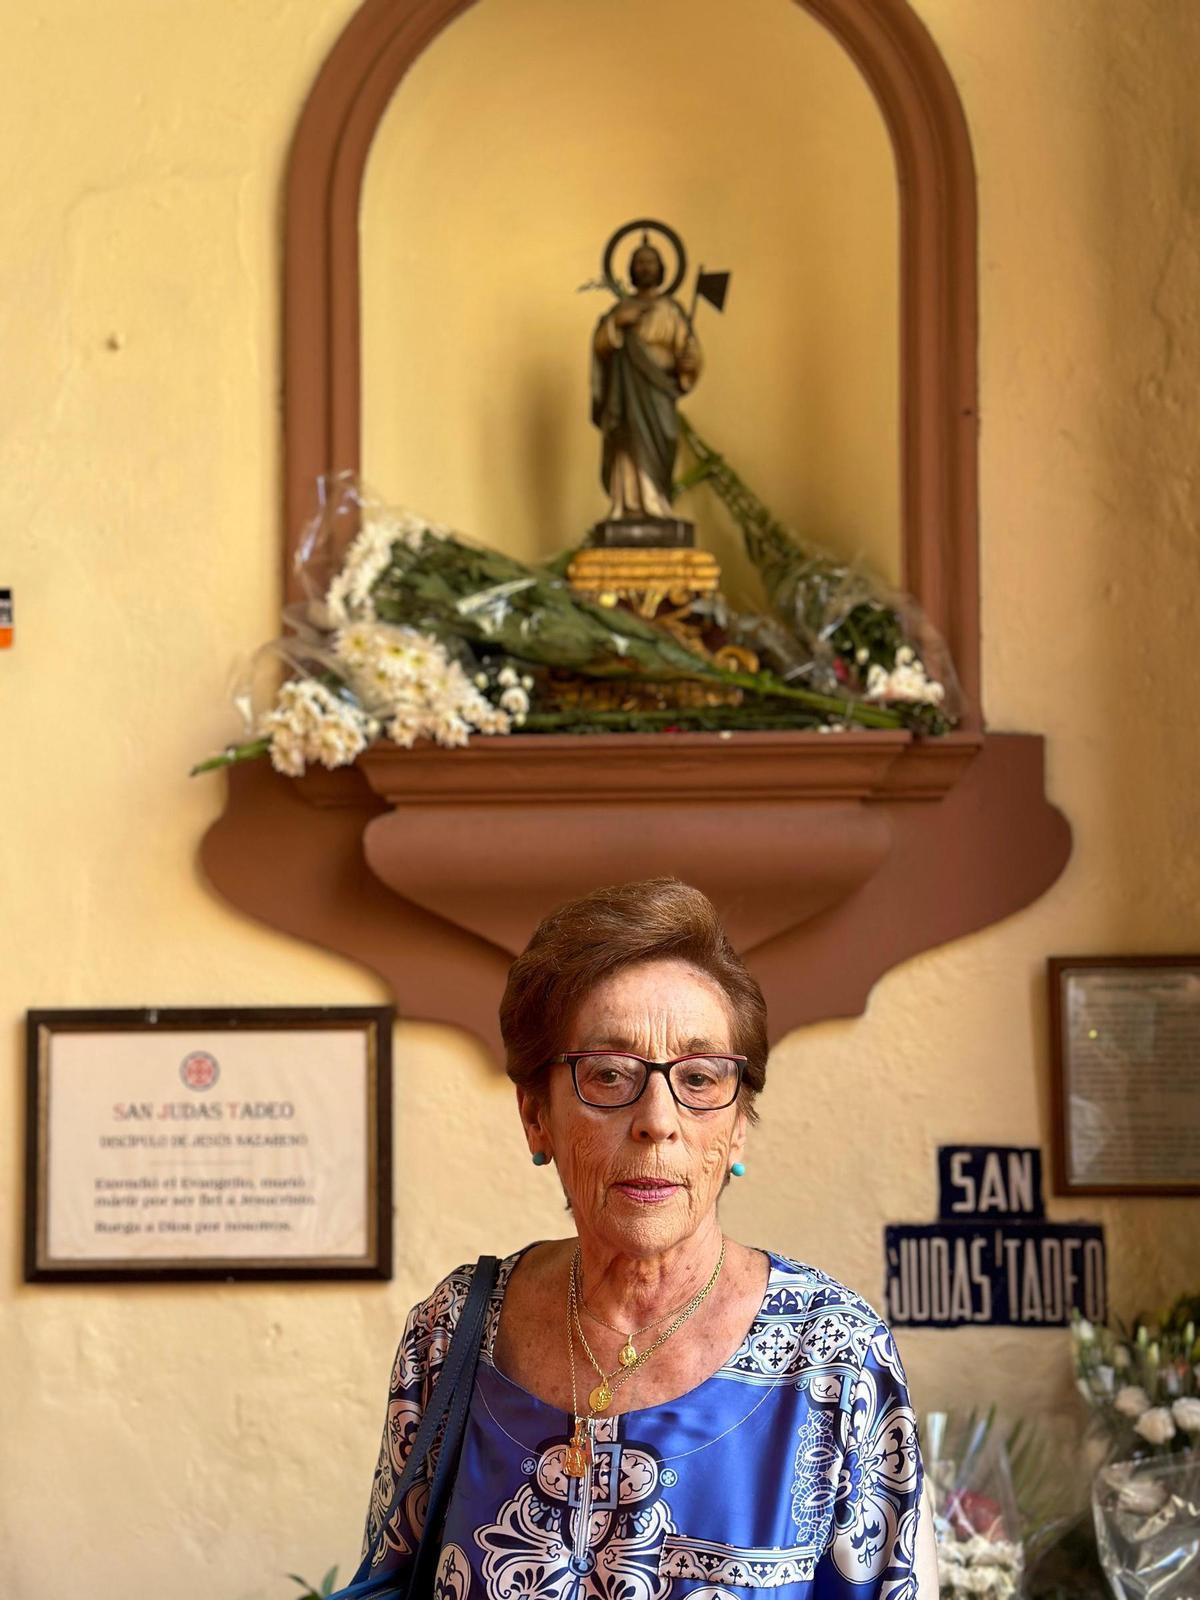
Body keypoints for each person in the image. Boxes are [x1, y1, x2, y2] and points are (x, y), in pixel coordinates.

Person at [358, 878, 937, 1598]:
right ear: (536, 1116)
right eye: (608, 1075)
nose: (657, 1119)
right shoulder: (448, 1337)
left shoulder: (834, 1358)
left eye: (698, 1079)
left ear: (737, 1127)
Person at [592, 242, 702, 522]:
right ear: (630, 269)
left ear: (662, 269)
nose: (645, 267)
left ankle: (657, 503)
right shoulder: (619, 310)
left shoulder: (671, 311)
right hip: (626, 393)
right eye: (639, 261)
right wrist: (616, 324)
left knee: (664, 439)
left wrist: (690, 364)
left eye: (651, 261)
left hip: (659, 391)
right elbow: (600, 347)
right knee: (627, 443)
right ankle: (628, 507)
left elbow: (688, 355)